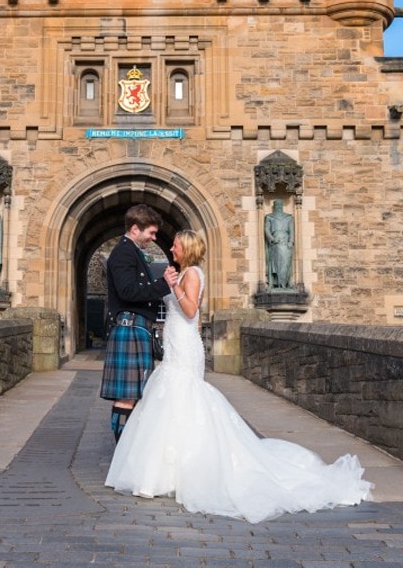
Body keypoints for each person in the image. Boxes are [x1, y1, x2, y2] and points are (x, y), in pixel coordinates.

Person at [105, 230, 373, 523]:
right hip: (176, 344)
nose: (171, 248)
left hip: (183, 346)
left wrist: (174, 287)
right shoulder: (183, 273)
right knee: (168, 400)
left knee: (183, 397)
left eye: (176, 245)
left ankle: (184, 473)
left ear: (188, 249)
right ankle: (163, 474)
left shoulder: (192, 274)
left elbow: (191, 310)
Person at [101, 204, 178, 442]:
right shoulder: (124, 253)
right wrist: (163, 284)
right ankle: (122, 452)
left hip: (136, 328)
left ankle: (128, 451)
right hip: (130, 327)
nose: (153, 238)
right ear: (135, 229)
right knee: (127, 396)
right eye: (151, 233)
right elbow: (127, 291)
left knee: (134, 394)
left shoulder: (131, 251)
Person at [264, 198, 294, 289]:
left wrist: (291, 241)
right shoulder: (269, 217)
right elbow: (267, 229)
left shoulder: (288, 217)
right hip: (275, 243)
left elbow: (291, 231)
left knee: (286, 262)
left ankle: (286, 282)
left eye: (280, 205)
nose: (278, 207)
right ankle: (278, 283)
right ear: (275, 207)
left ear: (282, 206)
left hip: (286, 242)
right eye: (277, 205)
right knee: (276, 263)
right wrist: (272, 238)